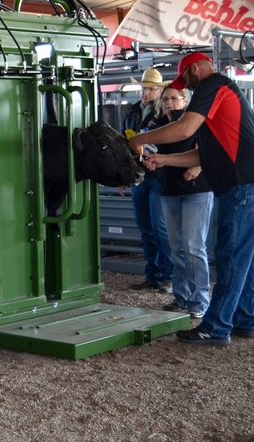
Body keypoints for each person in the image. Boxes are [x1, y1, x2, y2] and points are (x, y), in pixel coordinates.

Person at [132, 52, 254, 346]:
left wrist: (136, 140)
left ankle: (215, 327)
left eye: (184, 79)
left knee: (231, 256)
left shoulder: (213, 85)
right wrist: (164, 161)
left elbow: (184, 130)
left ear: (196, 69)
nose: (183, 87)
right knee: (244, 259)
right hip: (242, 184)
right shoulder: (217, 97)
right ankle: (245, 318)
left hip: (242, 185)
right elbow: (204, 155)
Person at [152, 85, 213, 319]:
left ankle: (199, 301)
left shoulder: (196, 122)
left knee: (193, 246)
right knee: (177, 247)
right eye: (165, 98)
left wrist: (197, 165)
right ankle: (181, 296)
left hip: (197, 190)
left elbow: (209, 149)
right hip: (169, 190)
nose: (169, 102)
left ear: (184, 100)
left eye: (174, 98)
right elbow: (151, 152)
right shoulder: (156, 125)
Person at [122, 68, 173, 294]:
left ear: (159, 90)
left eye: (151, 89)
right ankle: (154, 275)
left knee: (160, 229)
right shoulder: (133, 113)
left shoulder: (165, 114)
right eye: (144, 88)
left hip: (158, 176)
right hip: (139, 177)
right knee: (147, 229)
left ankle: (168, 277)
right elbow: (124, 146)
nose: (146, 93)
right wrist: (122, 176)